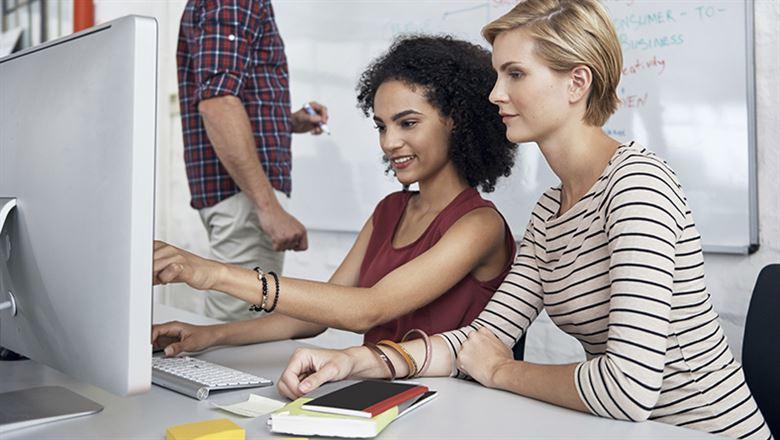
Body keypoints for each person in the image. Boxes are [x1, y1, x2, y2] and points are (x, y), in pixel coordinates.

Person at [273, 2, 771, 439]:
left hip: (702, 432)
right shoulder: (552, 209)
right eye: (496, 76)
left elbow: (626, 388)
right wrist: (360, 361)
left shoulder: (638, 189)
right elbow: (480, 339)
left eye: (515, 74)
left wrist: (501, 372)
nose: (494, 95)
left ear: (577, 82)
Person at [152, 36, 517, 358]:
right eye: (381, 126)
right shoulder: (390, 210)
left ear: (457, 121)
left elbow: (368, 309)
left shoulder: (479, 225)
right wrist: (209, 335)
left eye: (407, 123)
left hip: (447, 405)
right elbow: (311, 317)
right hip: (376, 392)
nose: (389, 142)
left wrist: (213, 273)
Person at [176, 0, 329, 321]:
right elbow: (217, 104)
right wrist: (268, 208)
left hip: (239, 199)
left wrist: (288, 121)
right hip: (246, 202)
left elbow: (228, 101)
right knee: (240, 332)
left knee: (239, 326)